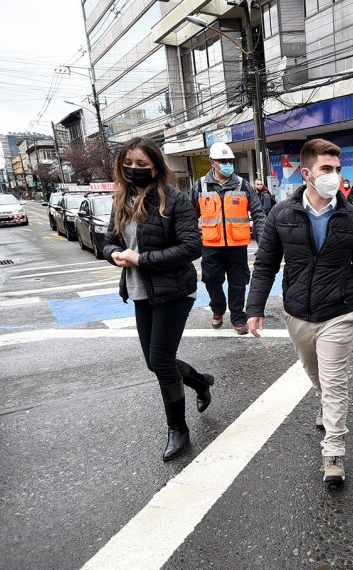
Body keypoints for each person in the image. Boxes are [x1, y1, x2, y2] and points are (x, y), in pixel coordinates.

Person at [246, 138, 353, 486]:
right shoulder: (281, 214)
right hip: (297, 312)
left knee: (335, 382)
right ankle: (323, 401)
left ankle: (333, 450)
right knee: (314, 372)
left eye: (337, 169)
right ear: (306, 174)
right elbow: (265, 265)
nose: (335, 175)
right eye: (326, 169)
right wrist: (254, 308)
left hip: (337, 312)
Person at [103, 137, 215, 462]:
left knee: (162, 361)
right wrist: (114, 254)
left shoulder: (173, 198)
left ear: (155, 166)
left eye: (142, 164)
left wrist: (142, 259)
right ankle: (200, 382)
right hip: (140, 290)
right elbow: (109, 240)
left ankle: (178, 429)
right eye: (128, 163)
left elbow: (192, 246)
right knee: (154, 362)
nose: (134, 169)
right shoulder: (121, 200)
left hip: (175, 290)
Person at [190, 142, 264, 335]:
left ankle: (238, 318)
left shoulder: (243, 185)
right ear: (212, 163)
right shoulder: (200, 185)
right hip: (211, 245)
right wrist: (191, 240)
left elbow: (259, 214)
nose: (227, 164)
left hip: (237, 246)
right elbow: (189, 216)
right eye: (222, 161)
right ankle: (218, 308)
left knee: (238, 283)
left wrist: (263, 242)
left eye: (230, 161)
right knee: (211, 280)